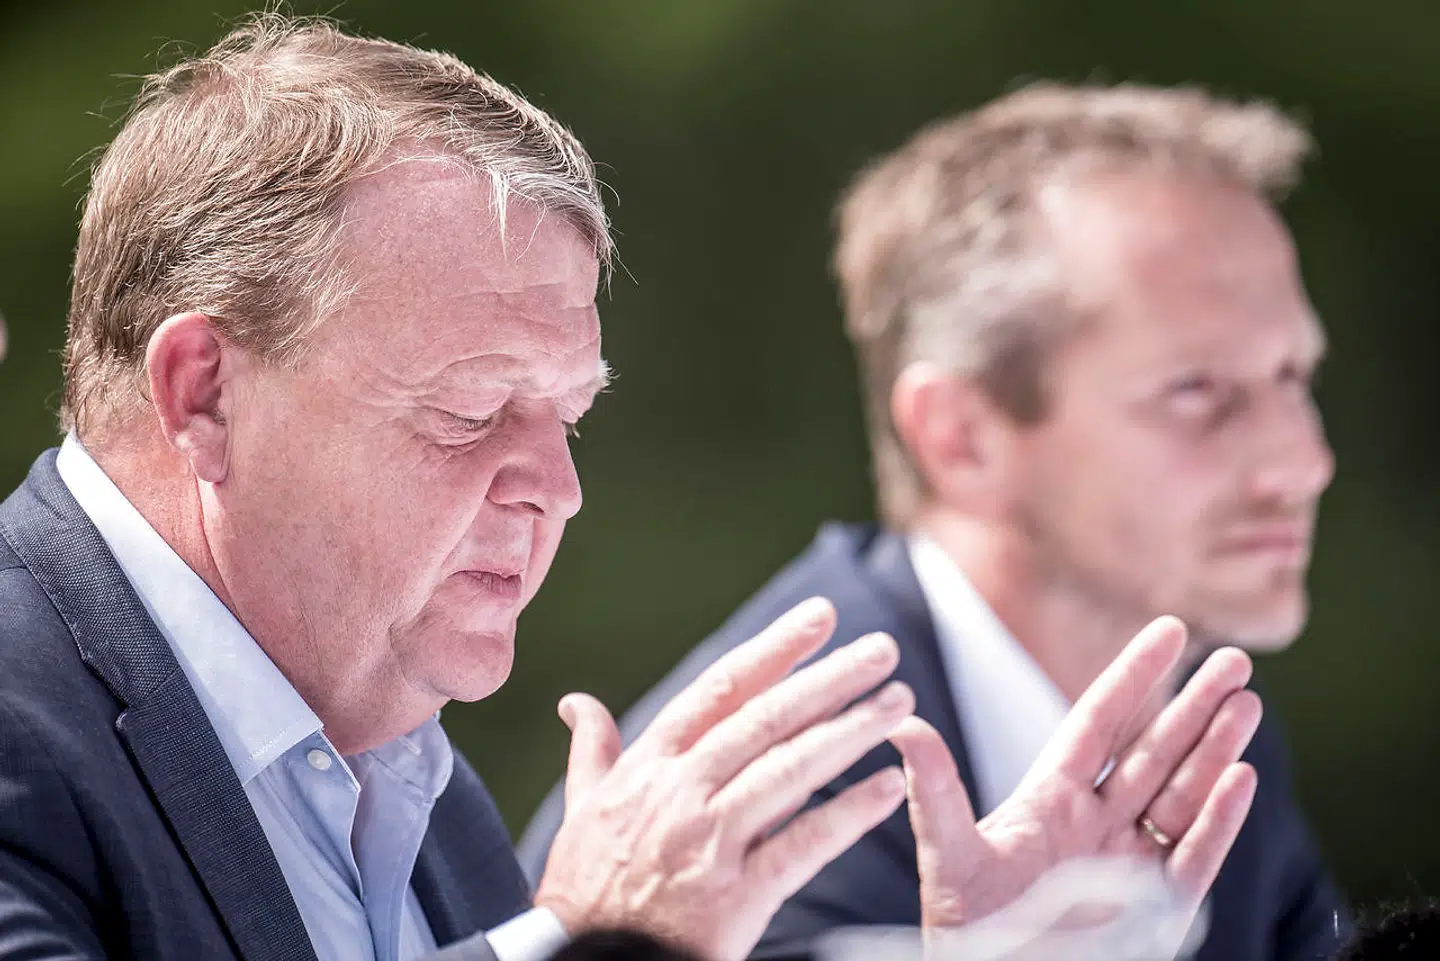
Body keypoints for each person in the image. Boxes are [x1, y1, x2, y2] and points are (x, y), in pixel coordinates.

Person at [0, 19, 1260, 961]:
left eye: (570, 416)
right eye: (474, 408)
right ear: (204, 392)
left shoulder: (413, 786)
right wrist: (585, 943)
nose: (557, 489)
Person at [520, 83, 1347, 961]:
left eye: (1293, 375)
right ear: (961, 439)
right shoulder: (747, 823)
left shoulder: (1200, 723)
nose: (1303, 461)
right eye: (1197, 391)